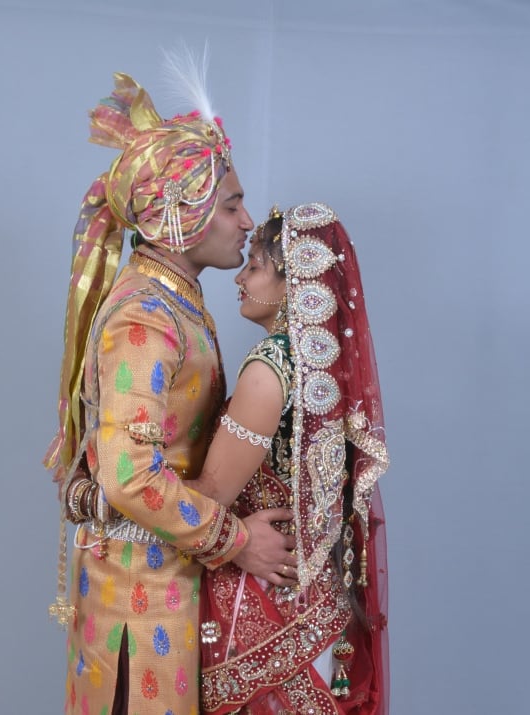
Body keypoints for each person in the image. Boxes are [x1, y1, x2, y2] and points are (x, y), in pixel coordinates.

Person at [43, 69, 297, 715]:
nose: (246, 221)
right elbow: (130, 476)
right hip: (139, 598)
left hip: (166, 581)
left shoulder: (175, 300)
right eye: (232, 204)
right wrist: (240, 540)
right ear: (178, 215)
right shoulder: (146, 318)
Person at [188, 202, 391, 714]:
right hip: (318, 604)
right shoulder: (325, 380)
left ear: (292, 285)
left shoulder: (268, 369)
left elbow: (211, 496)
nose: (240, 277)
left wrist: (128, 494)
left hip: (262, 595)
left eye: (255, 266)